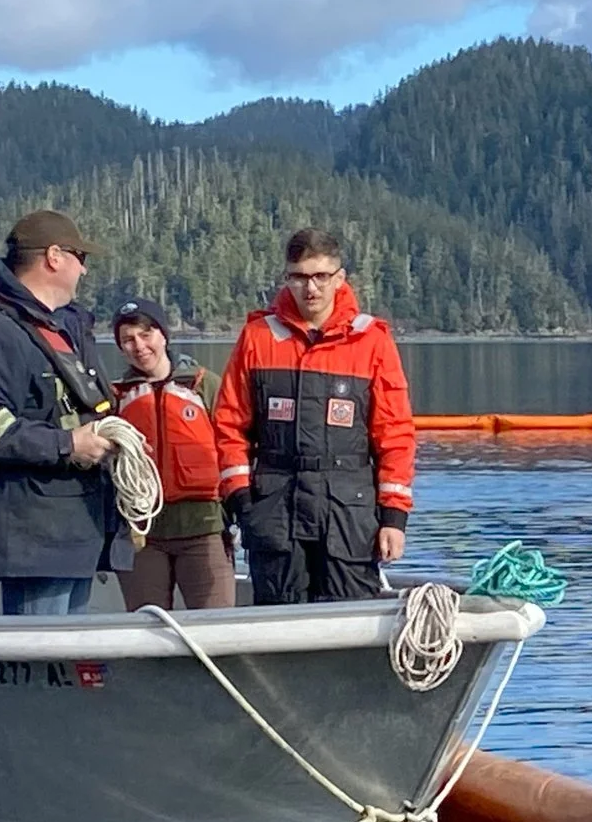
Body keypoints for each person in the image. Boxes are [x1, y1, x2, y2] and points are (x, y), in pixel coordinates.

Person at [0, 211, 130, 616]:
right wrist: (67, 444)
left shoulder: (65, 327)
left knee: (66, 661)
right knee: (39, 665)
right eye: (81, 257)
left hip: (73, 532)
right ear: (55, 257)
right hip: (32, 541)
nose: (84, 269)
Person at [215, 228, 414, 605]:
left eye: (321, 276)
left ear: (340, 278)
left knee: (352, 622)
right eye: (300, 277)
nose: (311, 288)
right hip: (275, 509)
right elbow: (229, 425)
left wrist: (393, 520)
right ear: (287, 278)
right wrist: (242, 501)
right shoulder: (257, 337)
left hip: (347, 513)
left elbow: (395, 435)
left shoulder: (371, 341)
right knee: (276, 622)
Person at [109, 298, 235, 612]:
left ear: (163, 335)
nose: (138, 346)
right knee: (146, 631)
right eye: (128, 339)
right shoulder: (115, 397)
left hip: (204, 528)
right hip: (143, 535)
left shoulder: (205, 386)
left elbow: (235, 448)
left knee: (215, 627)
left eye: (146, 334)